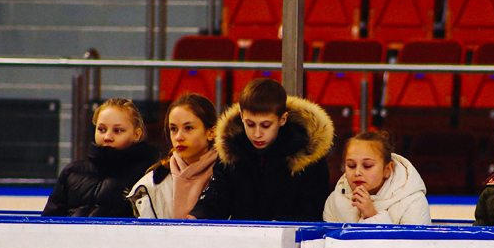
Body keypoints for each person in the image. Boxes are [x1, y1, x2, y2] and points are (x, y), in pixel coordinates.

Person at [190, 77, 334, 222]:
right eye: (250, 124)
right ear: (241, 117)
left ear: (282, 119)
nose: (257, 134)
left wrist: (280, 225)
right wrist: (201, 214)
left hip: (291, 235)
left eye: (266, 125)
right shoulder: (232, 149)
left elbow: (313, 209)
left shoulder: (308, 154)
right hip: (244, 235)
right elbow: (217, 194)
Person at [42, 98, 160, 218]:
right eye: (101, 129)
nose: (107, 137)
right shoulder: (72, 172)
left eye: (118, 130)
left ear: (136, 134)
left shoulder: (149, 175)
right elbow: (48, 222)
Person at [129, 94, 219, 219]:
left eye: (188, 128)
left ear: (211, 133)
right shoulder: (151, 184)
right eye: (173, 129)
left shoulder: (231, 176)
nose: (179, 137)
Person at [324, 131, 431, 224]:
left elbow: (411, 242)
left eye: (367, 166)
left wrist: (372, 216)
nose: (357, 172)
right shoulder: (334, 201)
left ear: (387, 170)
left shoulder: (414, 202)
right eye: (351, 166)